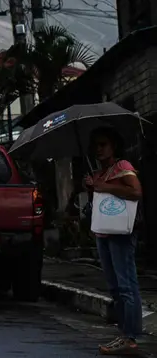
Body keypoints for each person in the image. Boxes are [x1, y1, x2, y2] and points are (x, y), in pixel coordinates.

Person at [84, 125, 143, 356]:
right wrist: (91, 187)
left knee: (127, 285)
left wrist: (104, 186)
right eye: (95, 146)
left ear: (114, 146)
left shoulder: (122, 167)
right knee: (115, 287)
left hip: (121, 233)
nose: (99, 150)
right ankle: (124, 334)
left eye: (103, 145)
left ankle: (130, 336)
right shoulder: (99, 172)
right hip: (104, 232)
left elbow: (136, 192)